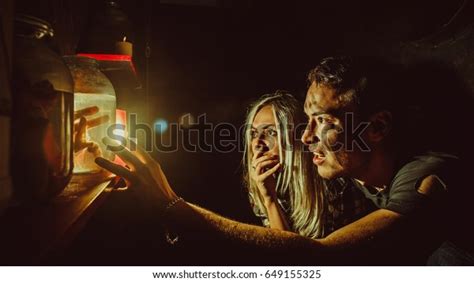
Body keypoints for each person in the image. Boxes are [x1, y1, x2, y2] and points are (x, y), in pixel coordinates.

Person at [95, 56, 473, 265]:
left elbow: (322, 259)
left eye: (322, 121)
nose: (305, 136)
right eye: (305, 122)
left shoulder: (428, 177)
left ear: (377, 127)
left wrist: (172, 206)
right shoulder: (352, 169)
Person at [244, 91, 372, 238]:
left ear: (298, 139)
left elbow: (299, 255)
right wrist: (269, 199)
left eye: (271, 133)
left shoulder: (335, 185)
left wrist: (270, 200)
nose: (257, 143)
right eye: (253, 133)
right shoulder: (261, 183)